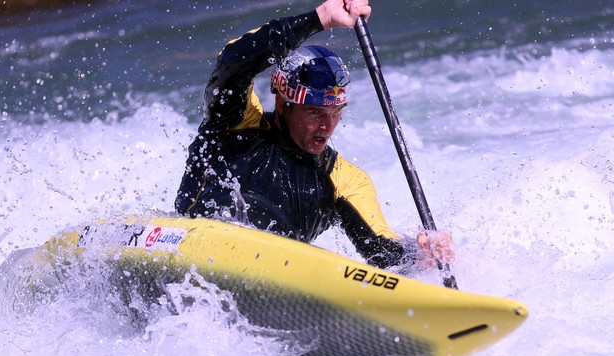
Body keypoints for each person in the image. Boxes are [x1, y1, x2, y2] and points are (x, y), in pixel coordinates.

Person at [175, 0, 454, 270]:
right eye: (314, 112)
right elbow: (234, 60)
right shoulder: (237, 125)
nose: (327, 126)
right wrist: (318, 19)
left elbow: (381, 251)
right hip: (187, 247)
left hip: (268, 275)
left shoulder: (343, 178)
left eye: (336, 113)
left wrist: (419, 253)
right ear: (284, 103)